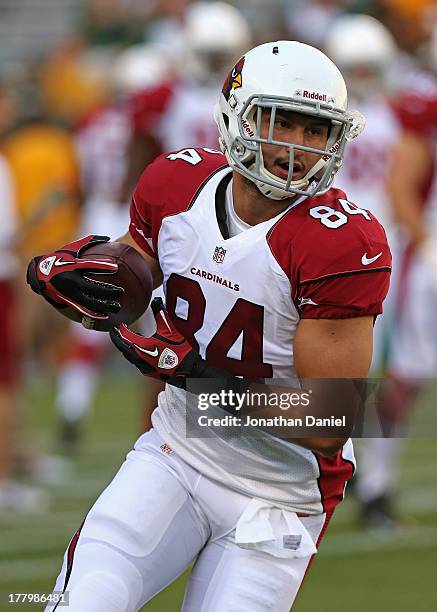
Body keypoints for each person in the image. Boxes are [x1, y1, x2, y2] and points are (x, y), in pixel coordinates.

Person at [27, 41, 391, 612]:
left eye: (315, 131)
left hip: (279, 493)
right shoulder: (176, 183)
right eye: (280, 122)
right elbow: (134, 274)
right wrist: (88, 280)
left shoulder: (341, 241)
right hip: (175, 453)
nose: (295, 147)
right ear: (237, 116)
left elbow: (332, 416)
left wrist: (199, 378)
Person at [324, 13, 404, 528]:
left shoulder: (325, 117)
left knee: (361, 375)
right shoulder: (396, 116)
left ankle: (366, 479)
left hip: (358, 249)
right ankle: (358, 475)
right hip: (356, 248)